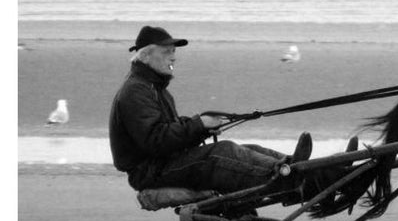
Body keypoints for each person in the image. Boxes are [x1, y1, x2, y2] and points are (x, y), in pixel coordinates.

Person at [109, 26, 314, 194]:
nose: (173, 58)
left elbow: (168, 131)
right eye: (166, 52)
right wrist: (199, 125)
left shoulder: (153, 87)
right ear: (145, 56)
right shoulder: (136, 91)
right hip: (150, 172)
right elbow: (157, 141)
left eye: (173, 52)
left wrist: (202, 127)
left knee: (250, 149)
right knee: (222, 152)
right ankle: (285, 174)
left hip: (163, 163)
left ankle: (307, 169)